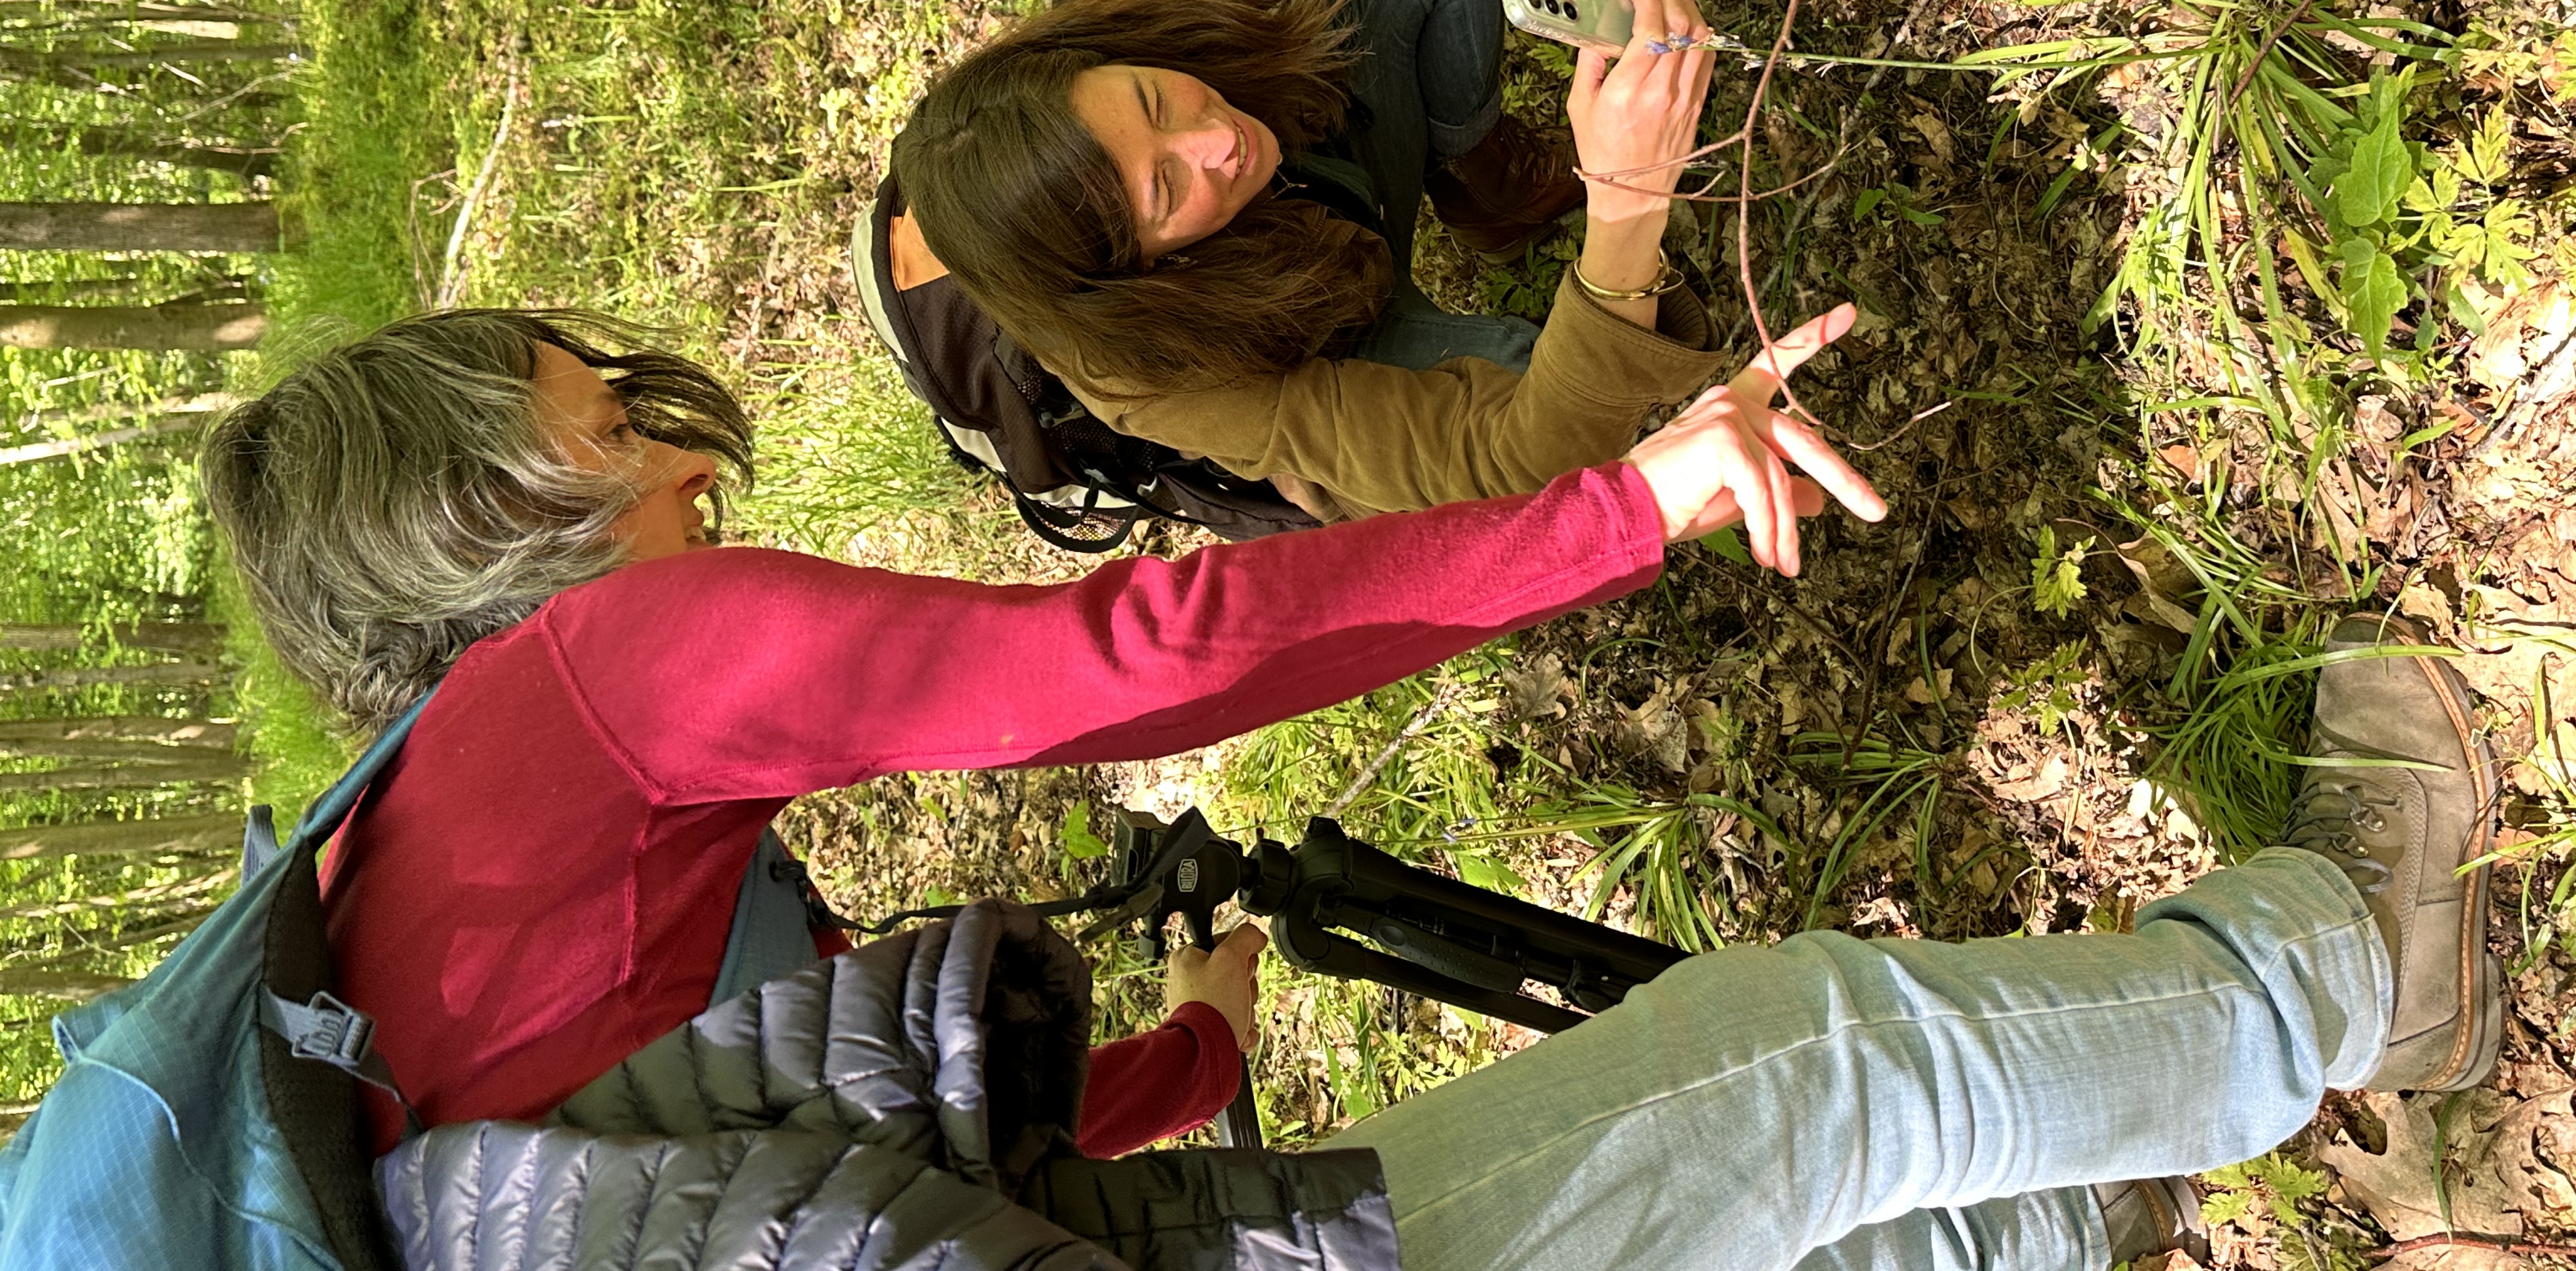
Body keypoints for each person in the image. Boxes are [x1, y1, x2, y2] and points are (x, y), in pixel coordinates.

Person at [203, 301, 1878, 1164]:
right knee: (1847, 1074)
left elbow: (865, 1121)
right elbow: (1144, 656)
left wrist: (1195, 1059)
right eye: (617, 426)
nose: (684, 460)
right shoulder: (599, 679)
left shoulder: (383, 876)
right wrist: (1627, 506)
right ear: (490, 519)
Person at [889, 0, 1745, 523]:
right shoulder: (1154, 372)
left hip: (1328, 178)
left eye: (1156, 99)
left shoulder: (1127, 13)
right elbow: (1520, 460)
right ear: (1141, 270)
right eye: (1164, 188)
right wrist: (1626, 210)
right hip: (1312, 328)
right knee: (1578, 424)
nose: (1213, 142)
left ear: (1105, 60)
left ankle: (1489, 186)